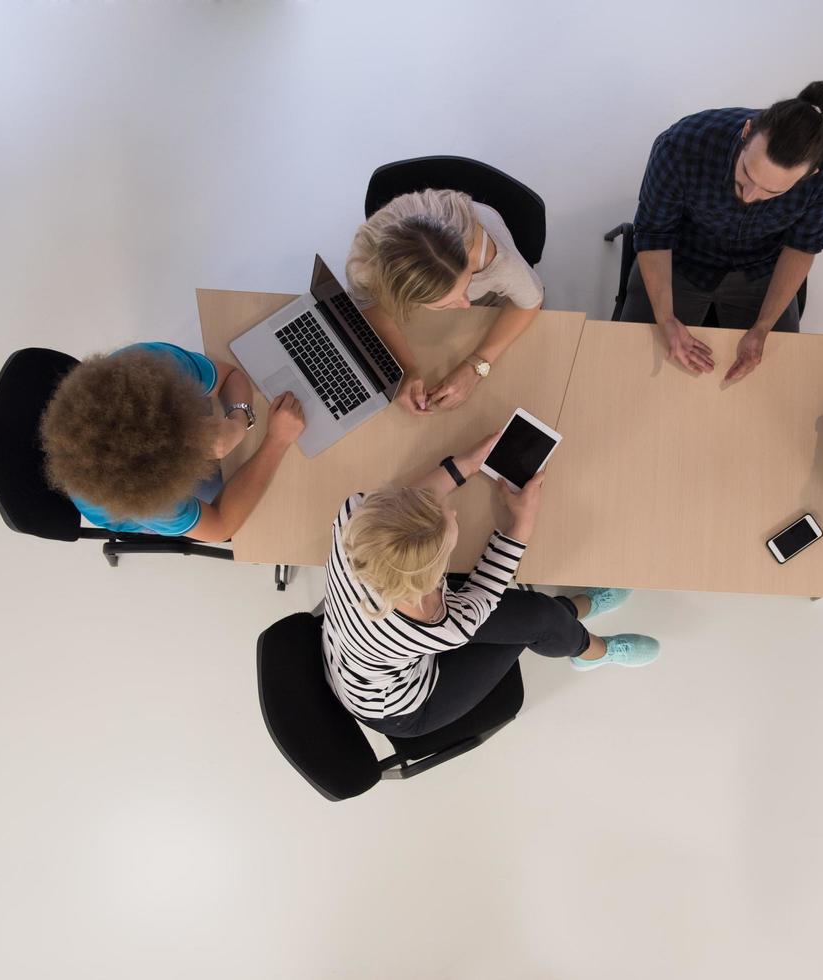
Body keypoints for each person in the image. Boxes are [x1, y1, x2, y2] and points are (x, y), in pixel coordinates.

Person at [321, 436, 660, 738]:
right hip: (401, 708)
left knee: (540, 616)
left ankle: (573, 614)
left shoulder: (356, 518)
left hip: (356, 656)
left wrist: (465, 464)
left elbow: (407, 505)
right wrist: (522, 524)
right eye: (449, 526)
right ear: (430, 579)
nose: (453, 513)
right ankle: (592, 652)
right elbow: (486, 587)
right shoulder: (437, 624)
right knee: (538, 621)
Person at [623, 80, 823, 382]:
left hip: (761, 268)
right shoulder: (682, 145)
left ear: (811, 175)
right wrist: (665, 319)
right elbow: (654, 234)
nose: (750, 196)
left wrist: (762, 327)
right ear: (746, 132)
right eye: (746, 174)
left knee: (775, 382)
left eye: (771, 191)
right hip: (681, 259)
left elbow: (801, 246)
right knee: (632, 366)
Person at [40, 341, 304, 541]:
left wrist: (239, 420)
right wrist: (276, 441)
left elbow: (230, 377)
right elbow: (221, 526)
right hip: (132, 502)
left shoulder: (147, 367)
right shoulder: (151, 504)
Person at [345, 189, 545, 417]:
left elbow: (531, 301)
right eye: (444, 303)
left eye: (467, 284)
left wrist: (477, 365)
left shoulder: (498, 263)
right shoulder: (366, 264)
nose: (465, 303)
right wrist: (407, 370)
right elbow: (368, 303)